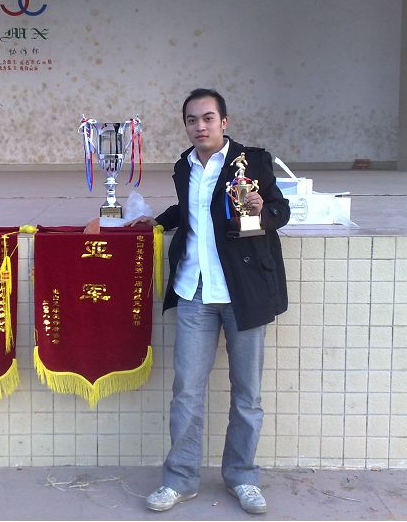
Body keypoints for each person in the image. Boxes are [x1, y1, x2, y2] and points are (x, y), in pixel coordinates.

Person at [128, 88, 289, 515]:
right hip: (195, 292)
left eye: (208, 118)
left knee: (247, 394)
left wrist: (261, 210)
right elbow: (191, 210)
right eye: (191, 120)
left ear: (224, 122)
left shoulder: (253, 161)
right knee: (186, 391)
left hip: (243, 293)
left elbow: (280, 211)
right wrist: (156, 220)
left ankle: (242, 476)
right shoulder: (184, 165)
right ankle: (180, 480)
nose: (200, 126)